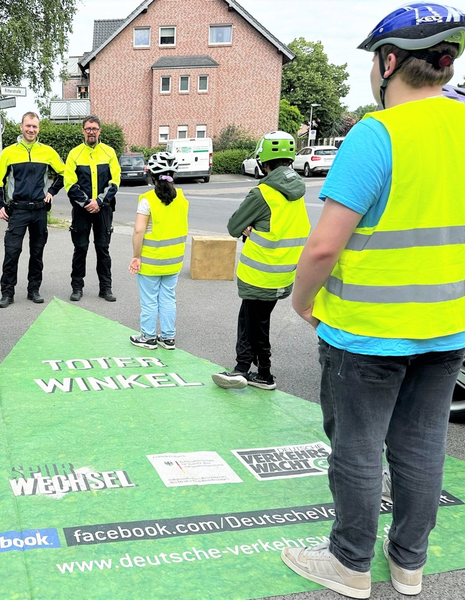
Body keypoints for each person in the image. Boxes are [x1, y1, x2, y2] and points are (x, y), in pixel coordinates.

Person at [281, 4, 465, 598]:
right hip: (447, 329)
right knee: (422, 444)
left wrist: (300, 300)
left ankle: (350, 563)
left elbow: (322, 247)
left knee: (358, 448)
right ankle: (409, 563)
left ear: (388, 62)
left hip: (367, 331)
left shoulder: (375, 134)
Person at [211, 131, 309, 391]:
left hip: (260, 272)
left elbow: (233, 226)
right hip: (284, 272)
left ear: (264, 160)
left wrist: (249, 226)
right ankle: (243, 366)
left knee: (256, 322)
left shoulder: (263, 193)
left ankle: (263, 373)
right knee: (250, 318)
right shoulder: (297, 192)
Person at [0, 111, 65, 307]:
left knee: (37, 252)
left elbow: (64, 173)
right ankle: (7, 293)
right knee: (12, 252)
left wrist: (51, 191)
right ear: (21, 127)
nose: (31, 130)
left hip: (40, 210)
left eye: (34, 126)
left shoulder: (48, 152)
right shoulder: (9, 152)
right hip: (18, 210)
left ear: (38, 128)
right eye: (28, 126)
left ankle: (34, 290)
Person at [128, 152, 188, 350]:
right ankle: (168, 337)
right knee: (168, 297)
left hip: (152, 260)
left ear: (151, 175)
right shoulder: (181, 197)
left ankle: (148, 336)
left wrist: (136, 256)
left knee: (149, 299)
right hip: (174, 260)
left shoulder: (147, 199)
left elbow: (139, 230)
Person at [64, 115, 121, 302]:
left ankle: (106, 288)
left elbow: (115, 181)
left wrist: (99, 201)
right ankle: (77, 288)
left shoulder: (109, 152)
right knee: (80, 249)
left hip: (103, 210)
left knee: (103, 249)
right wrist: (88, 202)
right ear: (83, 130)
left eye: (94, 129)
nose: (91, 132)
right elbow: (69, 183)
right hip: (81, 210)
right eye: (88, 129)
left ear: (99, 131)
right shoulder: (74, 154)